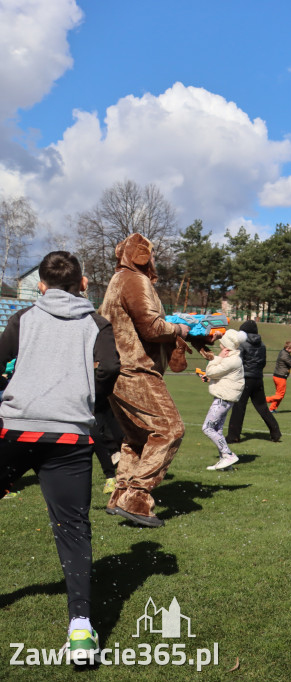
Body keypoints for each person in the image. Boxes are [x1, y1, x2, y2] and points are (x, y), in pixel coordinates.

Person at [0, 250, 119, 659]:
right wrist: (88, 396)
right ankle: (82, 630)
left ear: (41, 286)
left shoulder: (23, 318)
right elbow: (109, 369)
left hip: (15, 429)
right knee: (73, 529)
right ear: (83, 284)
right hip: (69, 436)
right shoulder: (95, 322)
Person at [100, 233, 201, 528]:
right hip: (136, 368)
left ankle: (120, 495)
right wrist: (180, 328)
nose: (153, 260)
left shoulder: (117, 279)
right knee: (170, 430)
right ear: (142, 255)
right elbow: (153, 327)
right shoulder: (133, 279)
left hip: (117, 369)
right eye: (152, 255)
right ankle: (137, 497)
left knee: (137, 439)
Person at [226, 320, 282, 444]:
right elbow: (263, 363)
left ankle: (233, 436)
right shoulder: (262, 344)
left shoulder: (242, 344)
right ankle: (275, 432)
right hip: (258, 378)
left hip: (244, 378)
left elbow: (238, 362)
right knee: (262, 407)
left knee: (239, 407)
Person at [200, 329, 247, 471]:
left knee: (207, 428)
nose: (219, 343)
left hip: (223, 399)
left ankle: (228, 455)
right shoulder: (233, 358)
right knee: (217, 430)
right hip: (225, 398)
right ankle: (226, 465)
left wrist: (218, 357)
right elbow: (220, 375)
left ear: (226, 346)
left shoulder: (231, 360)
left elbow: (211, 371)